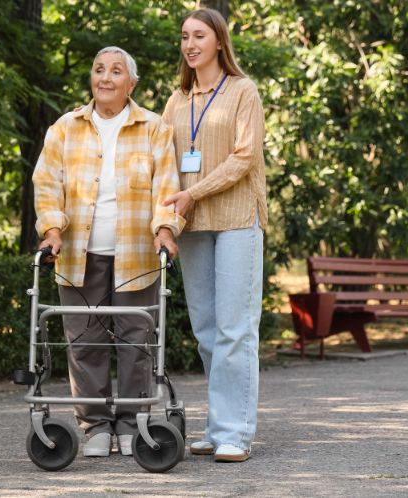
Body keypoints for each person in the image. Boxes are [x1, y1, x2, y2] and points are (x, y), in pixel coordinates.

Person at [33, 46, 185, 458]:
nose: (105, 77)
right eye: (99, 69)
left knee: (137, 340)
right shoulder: (65, 128)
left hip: (135, 253)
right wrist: (51, 228)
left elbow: (166, 189)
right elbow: (47, 184)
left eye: (116, 71)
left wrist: (166, 230)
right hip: (79, 254)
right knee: (84, 341)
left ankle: (132, 422)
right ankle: (96, 426)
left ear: (131, 83)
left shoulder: (154, 128)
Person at [161, 8, 267, 463]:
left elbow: (245, 158)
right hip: (192, 225)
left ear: (219, 42)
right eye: (184, 36)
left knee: (234, 330)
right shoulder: (176, 99)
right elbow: (161, 157)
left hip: (237, 219)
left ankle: (236, 433)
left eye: (199, 35)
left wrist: (193, 192)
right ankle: (216, 425)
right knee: (206, 331)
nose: (190, 44)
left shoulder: (243, 91)